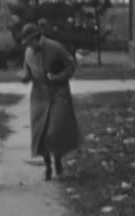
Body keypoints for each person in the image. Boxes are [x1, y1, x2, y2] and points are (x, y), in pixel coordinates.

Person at [19, 23, 82, 181]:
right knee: (40, 133)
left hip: (58, 93)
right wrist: (25, 77)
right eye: (26, 43)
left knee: (55, 131)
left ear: (36, 38)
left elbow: (71, 65)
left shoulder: (55, 47)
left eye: (29, 42)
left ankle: (58, 161)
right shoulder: (28, 52)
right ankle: (47, 167)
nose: (28, 46)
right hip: (39, 95)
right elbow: (27, 72)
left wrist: (58, 77)